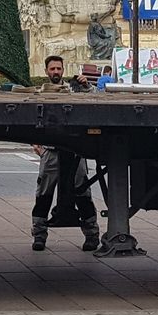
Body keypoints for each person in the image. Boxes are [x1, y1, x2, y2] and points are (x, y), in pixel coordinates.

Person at [31, 56, 101, 252]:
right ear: (46, 71)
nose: (56, 72)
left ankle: (92, 234)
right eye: (52, 69)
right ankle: (39, 235)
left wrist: (86, 85)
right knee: (43, 194)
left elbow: (96, 98)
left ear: (63, 70)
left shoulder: (74, 89)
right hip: (51, 150)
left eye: (58, 68)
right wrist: (34, 141)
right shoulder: (40, 92)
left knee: (82, 192)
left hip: (75, 149)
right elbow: (30, 118)